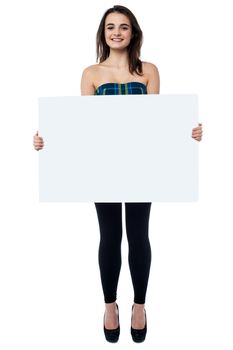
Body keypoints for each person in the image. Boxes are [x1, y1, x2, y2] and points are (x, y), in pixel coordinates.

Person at [33, 5, 203, 343]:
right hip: (102, 164)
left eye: (123, 27)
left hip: (143, 163)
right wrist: (47, 140)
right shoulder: (91, 74)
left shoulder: (149, 70)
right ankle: (110, 306)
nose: (117, 32)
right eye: (110, 26)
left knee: (139, 235)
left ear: (133, 33)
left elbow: (159, 122)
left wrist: (187, 133)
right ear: (103, 33)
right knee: (109, 236)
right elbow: (82, 126)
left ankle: (139, 306)